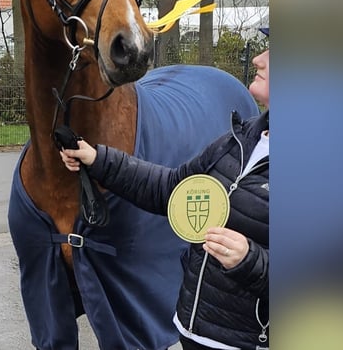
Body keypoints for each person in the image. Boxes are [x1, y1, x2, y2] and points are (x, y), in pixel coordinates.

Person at [61, 29, 270, 350]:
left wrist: (250, 260)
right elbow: (171, 188)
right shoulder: (243, 139)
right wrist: (98, 158)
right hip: (193, 333)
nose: (259, 59)